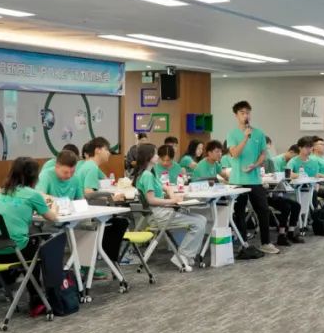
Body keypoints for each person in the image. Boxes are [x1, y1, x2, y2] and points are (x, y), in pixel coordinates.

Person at [0, 157, 69, 287]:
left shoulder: (1, 192)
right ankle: (38, 292)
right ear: (34, 176)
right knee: (42, 244)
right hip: (15, 251)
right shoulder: (32, 194)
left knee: (31, 239)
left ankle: (23, 285)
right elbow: (52, 218)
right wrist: (55, 205)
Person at [132, 143, 208, 271]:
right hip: (159, 215)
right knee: (199, 222)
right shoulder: (147, 175)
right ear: (148, 156)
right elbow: (151, 200)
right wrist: (172, 200)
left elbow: (166, 187)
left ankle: (186, 256)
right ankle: (182, 257)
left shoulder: (150, 173)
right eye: (155, 154)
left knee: (202, 219)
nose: (158, 156)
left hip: (160, 213)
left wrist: (172, 196)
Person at [226, 101, 278, 255]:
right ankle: (243, 244)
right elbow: (235, 153)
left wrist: (255, 165)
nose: (246, 115)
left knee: (263, 210)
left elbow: (263, 154)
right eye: (242, 113)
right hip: (237, 180)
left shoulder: (259, 133)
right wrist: (245, 138)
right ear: (236, 115)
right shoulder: (232, 134)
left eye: (248, 112)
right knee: (239, 212)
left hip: (254, 179)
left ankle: (266, 243)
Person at [74, 137, 130, 264]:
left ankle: (105, 258)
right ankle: (110, 259)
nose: (109, 153)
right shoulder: (92, 167)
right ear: (97, 150)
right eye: (106, 150)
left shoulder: (87, 165)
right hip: (85, 214)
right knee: (121, 222)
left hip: (81, 211)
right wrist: (111, 198)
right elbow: (88, 192)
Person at [287, 137, 324, 229]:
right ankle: (315, 219)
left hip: (313, 186)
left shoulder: (313, 161)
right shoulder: (294, 161)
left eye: (310, 147)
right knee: (313, 194)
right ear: (300, 148)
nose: (309, 150)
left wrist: (318, 182)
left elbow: (316, 175)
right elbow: (288, 174)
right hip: (299, 188)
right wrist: (300, 175)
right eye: (306, 147)